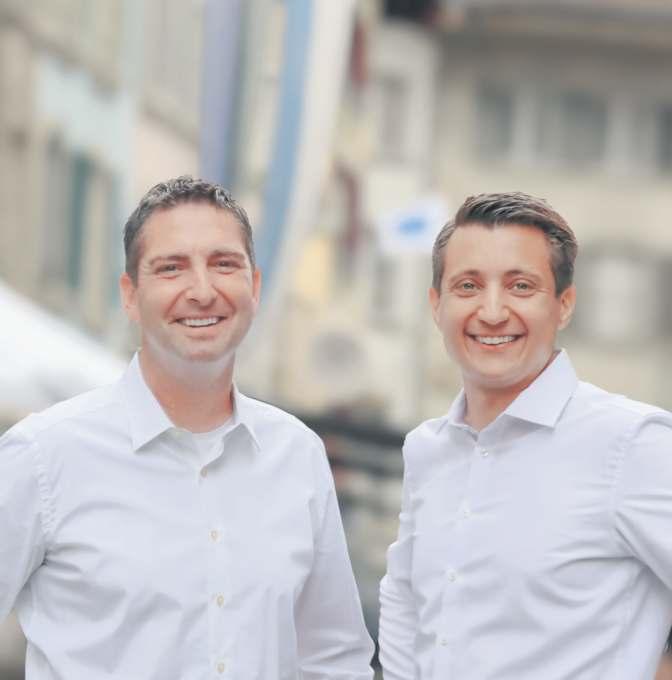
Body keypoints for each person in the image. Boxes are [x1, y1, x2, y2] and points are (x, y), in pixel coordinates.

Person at [0, 176, 374, 679]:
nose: (201, 291)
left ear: (254, 286)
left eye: (224, 264)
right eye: (171, 267)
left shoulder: (298, 456)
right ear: (130, 295)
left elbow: (333, 660)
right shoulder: (43, 456)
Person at [379, 192, 672, 679]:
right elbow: (405, 602)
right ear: (436, 304)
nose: (493, 311)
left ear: (564, 304)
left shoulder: (633, 444)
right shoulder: (429, 449)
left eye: (520, 286)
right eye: (468, 286)